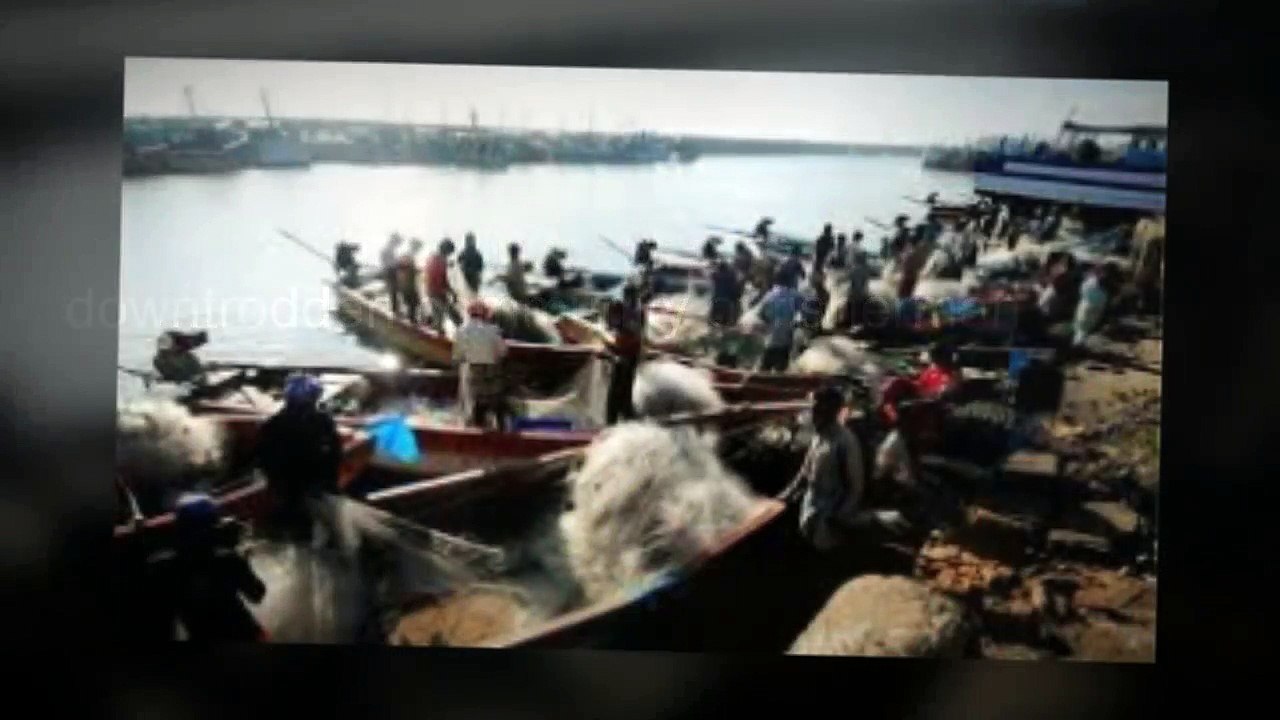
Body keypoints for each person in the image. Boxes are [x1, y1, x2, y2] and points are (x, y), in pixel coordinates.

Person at [150, 492, 268, 642]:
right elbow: (257, 594)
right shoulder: (227, 560)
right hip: (243, 634)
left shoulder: (163, 566)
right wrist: (243, 561)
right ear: (212, 525)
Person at [256, 374, 342, 542]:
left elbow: (333, 454)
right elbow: (333, 454)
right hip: (294, 487)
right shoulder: (321, 422)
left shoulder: (274, 424)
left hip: (301, 486)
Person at [780, 386, 866, 551]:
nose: (811, 413)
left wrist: (840, 516)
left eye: (815, 408)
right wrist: (784, 496)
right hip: (811, 510)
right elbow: (804, 474)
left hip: (830, 517)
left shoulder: (845, 442)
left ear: (828, 410)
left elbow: (856, 487)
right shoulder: (818, 436)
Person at [452, 300, 510, 430]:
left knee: (478, 400)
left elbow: (457, 354)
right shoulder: (493, 330)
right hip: (493, 368)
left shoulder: (461, 331)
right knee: (496, 399)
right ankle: (502, 429)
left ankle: (478, 428)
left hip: (474, 369)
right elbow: (503, 351)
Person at [606, 283, 645, 424]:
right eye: (631, 295)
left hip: (632, 352)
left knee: (627, 386)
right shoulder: (618, 307)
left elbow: (640, 331)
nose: (634, 298)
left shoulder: (640, 310)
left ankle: (626, 412)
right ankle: (612, 419)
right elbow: (612, 327)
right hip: (620, 352)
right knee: (616, 387)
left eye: (635, 295)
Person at [757, 279, 804, 372]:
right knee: (780, 370)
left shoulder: (770, 295)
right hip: (786, 340)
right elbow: (801, 314)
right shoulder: (796, 296)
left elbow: (760, 314)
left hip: (771, 338)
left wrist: (769, 323)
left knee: (764, 369)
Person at [424, 238, 460, 332]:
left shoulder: (432, 257)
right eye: (449, 253)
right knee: (453, 317)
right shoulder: (440, 261)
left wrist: (451, 292)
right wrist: (452, 292)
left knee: (441, 317)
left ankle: (435, 331)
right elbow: (442, 280)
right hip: (437, 293)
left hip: (431, 291)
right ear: (446, 251)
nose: (449, 255)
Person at [396, 239, 424, 323]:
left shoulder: (407, 256)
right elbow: (405, 268)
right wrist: (417, 270)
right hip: (408, 286)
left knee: (413, 305)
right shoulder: (408, 256)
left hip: (407, 285)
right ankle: (412, 322)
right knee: (413, 305)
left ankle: (412, 320)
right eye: (418, 248)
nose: (418, 250)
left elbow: (407, 268)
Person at [709, 259, 740, 327]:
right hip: (726, 302)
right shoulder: (731, 276)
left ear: (719, 269)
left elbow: (712, 274)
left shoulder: (716, 275)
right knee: (726, 323)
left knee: (712, 322)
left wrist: (714, 266)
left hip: (716, 300)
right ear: (727, 269)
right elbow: (735, 276)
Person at [381, 234, 404, 317]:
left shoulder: (388, 249)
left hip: (389, 271)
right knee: (394, 291)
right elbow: (392, 263)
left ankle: (396, 309)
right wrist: (400, 264)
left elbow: (389, 262)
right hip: (391, 272)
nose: (398, 245)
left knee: (394, 292)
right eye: (398, 242)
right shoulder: (388, 249)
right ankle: (396, 311)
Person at [846, 251, 871, 329]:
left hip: (854, 292)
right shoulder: (866, 268)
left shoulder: (854, 268)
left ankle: (853, 325)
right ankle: (860, 325)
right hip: (862, 292)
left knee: (854, 310)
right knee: (861, 309)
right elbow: (866, 282)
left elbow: (850, 280)